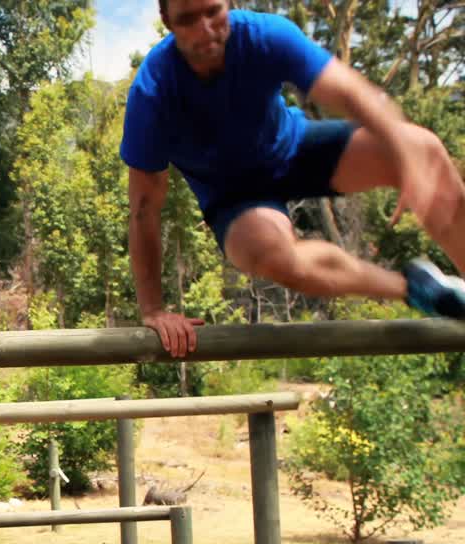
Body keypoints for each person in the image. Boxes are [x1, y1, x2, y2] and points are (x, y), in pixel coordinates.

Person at [121, 0, 465, 358]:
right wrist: (153, 310)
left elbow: (351, 93)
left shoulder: (264, 35)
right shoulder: (154, 92)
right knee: (277, 258)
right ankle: (417, 289)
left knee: (421, 148)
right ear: (167, 22)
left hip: (294, 149)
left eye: (213, 12)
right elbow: (145, 208)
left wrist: (405, 157)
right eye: (189, 20)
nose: (206, 30)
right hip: (234, 196)